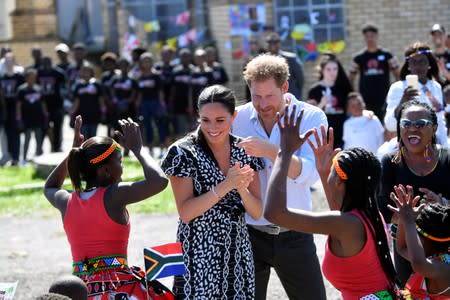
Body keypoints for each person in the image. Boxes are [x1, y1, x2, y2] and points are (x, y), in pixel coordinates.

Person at [264, 106, 399, 299]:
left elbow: (274, 214)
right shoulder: (366, 214)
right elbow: (339, 209)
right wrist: (324, 171)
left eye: (334, 166)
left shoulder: (346, 224)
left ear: (339, 181)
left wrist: (284, 152)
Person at [232, 54, 327, 300]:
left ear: (285, 88)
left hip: (296, 232)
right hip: (249, 234)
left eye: (270, 96)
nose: (263, 104)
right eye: (256, 96)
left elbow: (309, 175)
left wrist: (271, 151)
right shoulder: (237, 117)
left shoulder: (311, 117)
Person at [43, 115, 168, 299]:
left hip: (80, 290)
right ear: (105, 170)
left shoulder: (67, 200)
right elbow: (159, 181)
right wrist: (138, 149)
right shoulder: (113, 196)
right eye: (119, 162)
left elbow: (50, 186)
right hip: (117, 288)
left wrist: (72, 153)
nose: (122, 168)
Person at [161, 84, 264, 298]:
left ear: (233, 116)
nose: (212, 127)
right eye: (205, 120)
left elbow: (257, 211)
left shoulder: (245, 150)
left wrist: (242, 189)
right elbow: (186, 212)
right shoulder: (182, 152)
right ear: (198, 116)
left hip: (237, 250)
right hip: (196, 253)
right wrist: (227, 184)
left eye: (220, 120)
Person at [378, 100, 450, 286]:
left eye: (420, 124)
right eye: (406, 123)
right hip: (405, 246)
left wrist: (442, 204)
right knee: (409, 292)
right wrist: (408, 215)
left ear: (434, 128)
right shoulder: (390, 162)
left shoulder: (447, 159)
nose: (412, 128)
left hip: (445, 244)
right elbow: (383, 211)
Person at [389, 185, 450, 299]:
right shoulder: (434, 257)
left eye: (415, 235)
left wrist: (409, 222)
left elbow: (418, 264)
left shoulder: (444, 267)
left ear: (428, 240)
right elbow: (402, 248)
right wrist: (404, 217)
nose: (412, 238)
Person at [384, 42, 449, 148]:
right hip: (410, 145)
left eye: (422, 61)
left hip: (436, 145)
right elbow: (390, 125)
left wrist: (445, 145)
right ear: (408, 66)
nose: (418, 66)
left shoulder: (436, 86)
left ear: (429, 64)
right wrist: (402, 103)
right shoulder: (398, 88)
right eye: (414, 62)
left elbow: (440, 120)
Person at [349, 23, 400, 121]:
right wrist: (355, 96)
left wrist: (396, 93)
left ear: (377, 36)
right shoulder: (358, 58)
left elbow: (398, 74)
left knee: (386, 124)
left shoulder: (387, 55)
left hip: (385, 97)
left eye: (372, 36)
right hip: (365, 100)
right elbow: (350, 78)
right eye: (367, 36)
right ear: (364, 38)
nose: (369, 39)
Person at [308, 52, 353, 148]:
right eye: (328, 69)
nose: (332, 72)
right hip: (323, 135)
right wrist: (321, 104)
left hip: (342, 133)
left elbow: (353, 106)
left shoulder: (343, 88)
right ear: (322, 70)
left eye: (335, 69)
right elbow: (310, 115)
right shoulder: (315, 90)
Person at [16, 67, 47, 162]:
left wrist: (46, 116)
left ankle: (39, 158)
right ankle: (24, 159)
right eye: (30, 77)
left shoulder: (39, 89)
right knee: (27, 140)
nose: (32, 79)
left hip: (38, 119)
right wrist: (19, 119)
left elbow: (43, 104)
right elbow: (18, 105)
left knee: (39, 139)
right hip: (27, 120)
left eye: (34, 77)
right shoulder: (21, 90)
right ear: (26, 78)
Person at [70, 62, 105, 139]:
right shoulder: (78, 85)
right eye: (83, 70)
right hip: (82, 115)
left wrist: (103, 112)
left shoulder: (96, 84)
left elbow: (101, 99)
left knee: (93, 138)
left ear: (91, 71)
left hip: (94, 115)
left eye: (87, 70)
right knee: (84, 137)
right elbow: (76, 101)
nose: (85, 72)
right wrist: (72, 114)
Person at [37, 56, 66, 152]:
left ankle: (57, 147)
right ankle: (41, 147)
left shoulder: (58, 73)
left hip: (56, 105)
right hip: (43, 105)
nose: (46, 65)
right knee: (44, 127)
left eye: (48, 62)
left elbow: (65, 86)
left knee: (57, 127)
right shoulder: (38, 73)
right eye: (44, 63)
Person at [0, 52, 24, 166]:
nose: (9, 63)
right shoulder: (2, 77)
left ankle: (16, 157)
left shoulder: (19, 76)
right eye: (6, 61)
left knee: (16, 134)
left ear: (14, 61)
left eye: (10, 60)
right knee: (7, 134)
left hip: (16, 110)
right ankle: (9, 156)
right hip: (5, 110)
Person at [266, 32, 304, 99]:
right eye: (270, 42)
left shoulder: (291, 58)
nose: (272, 44)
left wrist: (297, 92)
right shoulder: (262, 60)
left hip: (289, 97)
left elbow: (300, 79)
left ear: (280, 43)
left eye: (275, 42)